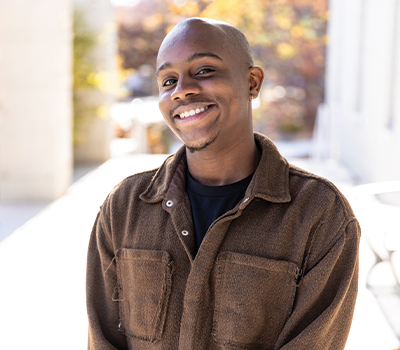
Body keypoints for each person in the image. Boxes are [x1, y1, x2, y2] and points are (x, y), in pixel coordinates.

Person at [86, 17, 360, 350]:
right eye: (168, 80)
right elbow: (102, 341)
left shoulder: (320, 215)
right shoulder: (124, 207)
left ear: (252, 83)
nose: (182, 90)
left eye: (204, 71)